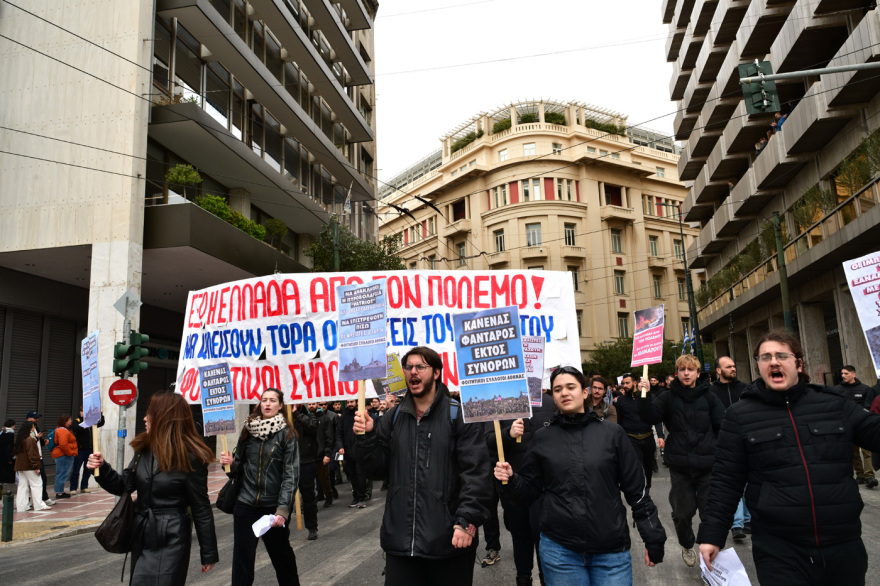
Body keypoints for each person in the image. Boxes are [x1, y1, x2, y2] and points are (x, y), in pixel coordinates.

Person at [698, 330, 880, 585]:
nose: (773, 361)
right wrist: (712, 535)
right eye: (765, 357)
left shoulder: (833, 404)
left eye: (782, 355)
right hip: (778, 549)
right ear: (758, 366)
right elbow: (725, 481)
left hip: (842, 543)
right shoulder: (739, 416)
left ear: (798, 363)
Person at [494, 366, 666, 584]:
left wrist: (653, 536)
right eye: (557, 389)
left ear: (584, 392)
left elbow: (637, 491)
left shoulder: (612, 434)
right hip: (560, 551)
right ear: (552, 396)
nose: (564, 393)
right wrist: (510, 480)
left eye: (570, 387)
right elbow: (528, 492)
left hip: (610, 551)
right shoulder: (542, 438)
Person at [354, 346, 492, 586]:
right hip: (401, 543)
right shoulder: (393, 417)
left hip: (450, 541)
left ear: (436, 373)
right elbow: (376, 471)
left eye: (421, 367)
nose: (413, 372)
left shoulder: (458, 416)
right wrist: (367, 438)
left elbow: (476, 474)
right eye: (408, 367)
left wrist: (466, 521)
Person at [87, 392, 218, 584]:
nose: (144, 418)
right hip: (142, 534)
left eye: (150, 413)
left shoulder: (191, 457)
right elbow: (123, 486)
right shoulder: (144, 450)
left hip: (172, 537)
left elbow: (201, 508)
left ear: (165, 417)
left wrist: (209, 553)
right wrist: (101, 468)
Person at [637, 354, 724, 567]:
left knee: (709, 512)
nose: (687, 373)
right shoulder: (667, 397)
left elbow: (722, 425)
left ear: (697, 372)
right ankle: (687, 543)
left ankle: (710, 551)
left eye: (691, 370)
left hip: (707, 465)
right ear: (677, 373)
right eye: (683, 369)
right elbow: (649, 417)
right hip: (680, 467)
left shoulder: (710, 396)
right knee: (682, 513)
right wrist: (644, 394)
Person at [219, 388, 300, 585]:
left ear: (280, 405)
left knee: (283, 560)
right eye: (264, 400)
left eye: (273, 400)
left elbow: (291, 475)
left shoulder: (287, 435)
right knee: (242, 562)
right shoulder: (249, 429)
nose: (268, 404)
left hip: (272, 509)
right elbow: (237, 468)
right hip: (245, 504)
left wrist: (282, 510)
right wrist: (229, 463)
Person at [497, 389, 558, 586]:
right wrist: (508, 434)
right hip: (514, 486)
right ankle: (523, 578)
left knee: (545, 539)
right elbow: (487, 441)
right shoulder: (499, 403)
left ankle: (546, 578)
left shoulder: (550, 402)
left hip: (546, 487)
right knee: (520, 536)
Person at [711, 356, 750, 540]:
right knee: (734, 482)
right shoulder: (711, 392)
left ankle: (748, 519)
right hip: (725, 442)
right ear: (719, 370)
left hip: (748, 440)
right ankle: (737, 524)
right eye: (729, 367)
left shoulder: (745, 389)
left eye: (734, 366)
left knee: (749, 482)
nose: (733, 369)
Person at [614, 374, 663, 491]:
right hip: (631, 439)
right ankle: (641, 492)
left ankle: (647, 488)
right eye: (623, 384)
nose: (625, 386)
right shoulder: (620, 401)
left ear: (635, 383)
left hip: (648, 438)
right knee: (638, 467)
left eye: (627, 383)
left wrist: (660, 436)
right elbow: (619, 422)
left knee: (648, 467)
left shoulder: (647, 397)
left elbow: (656, 418)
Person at [835, 365, 879, 488]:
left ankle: (869, 476)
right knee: (853, 452)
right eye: (842, 373)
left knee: (867, 452)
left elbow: (868, 405)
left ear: (853, 374)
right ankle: (860, 475)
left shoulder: (864, 389)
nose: (843, 376)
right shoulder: (837, 390)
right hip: (846, 425)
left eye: (846, 373)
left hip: (862, 425)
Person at [293, 403, 320, 540]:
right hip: (288, 465)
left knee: (309, 497)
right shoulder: (282, 417)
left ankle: (312, 527)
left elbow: (312, 427)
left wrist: (296, 413)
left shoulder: (310, 416)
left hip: (306, 462)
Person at [336, 399, 368, 508]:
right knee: (352, 476)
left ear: (356, 402)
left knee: (360, 475)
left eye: (352, 402)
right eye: (348, 402)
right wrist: (340, 447)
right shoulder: (343, 417)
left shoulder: (361, 415)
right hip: (348, 452)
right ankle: (356, 497)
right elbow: (339, 434)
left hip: (360, 450)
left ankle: (362, 498)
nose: (350, 404)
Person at [14, 421, 50, 512]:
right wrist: (36, 467)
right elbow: (32, 455)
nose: (34, 428)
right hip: (29, 466)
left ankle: (22, 506)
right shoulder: (30, 439)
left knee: (22, 486)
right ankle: (39, 505)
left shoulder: (21, 438)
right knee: (37, 484)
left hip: (20, 466)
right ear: (30, 428)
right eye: (33, 426)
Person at [70, 406, 105, 495]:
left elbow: (101, 423)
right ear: (80, 412)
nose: (84, 413)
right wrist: (86, 423)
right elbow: (76, 428)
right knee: (76, 470)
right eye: (82, 411)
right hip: (80, 449)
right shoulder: (77, 421)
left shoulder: (91, 422)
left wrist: (100, 414)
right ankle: (73, 488)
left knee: (88, 469)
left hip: (90, 449)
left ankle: (84, 486)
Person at [26, 411, 53, 505]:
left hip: (39, 456)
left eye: (37, 418)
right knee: (31, 481)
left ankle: (43, 497)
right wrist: (37, 438)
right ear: (29, 418)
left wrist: (42, 441)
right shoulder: (26, 429)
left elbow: (37, 441)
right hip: (32, 458)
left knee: (43, 478)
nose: (37, 420)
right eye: (35, 418)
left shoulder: (36, 427)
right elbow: (28, 443)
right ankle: (33, 501)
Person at [315, 401, 337, 507]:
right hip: (314, 453)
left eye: (324, 404)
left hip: (326, 451)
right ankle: (320, 493)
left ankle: (330, 493)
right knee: (317, 476)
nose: (322, 406)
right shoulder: (309, 418)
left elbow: (331, 436)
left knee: (327, 474)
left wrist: (328, 453)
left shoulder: (330, 417)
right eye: (320, 404)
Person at [51, 414, 77, 499]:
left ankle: (60, 491)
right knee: (62, 473)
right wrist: (70, 453)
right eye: (70, 420)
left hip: (63, 454)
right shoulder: (63, 431)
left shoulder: (62, 429)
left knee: (61, 473)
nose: (71, 421)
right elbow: (63, 444)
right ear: (65, 421)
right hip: (63, 455)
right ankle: (59, 492)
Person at [0, 419, 14, 497]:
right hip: (5, 458)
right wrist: (9, 458)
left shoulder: (2, 432)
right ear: (12, 425)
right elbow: (8, 447)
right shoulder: (10, 433)